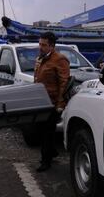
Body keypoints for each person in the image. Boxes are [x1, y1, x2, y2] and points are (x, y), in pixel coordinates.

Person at [34, 32, 70, 172]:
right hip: (41, 101)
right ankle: (52, 152)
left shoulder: (59, 59)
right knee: (39, 129)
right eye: (40, 44)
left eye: (44, 45)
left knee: (47, 132)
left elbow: (64, 82)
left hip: (52, 102)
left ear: (52, 46)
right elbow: (37, 78)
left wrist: (60, 104)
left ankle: (45, 161)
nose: (40, 47)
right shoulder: (41, 58)